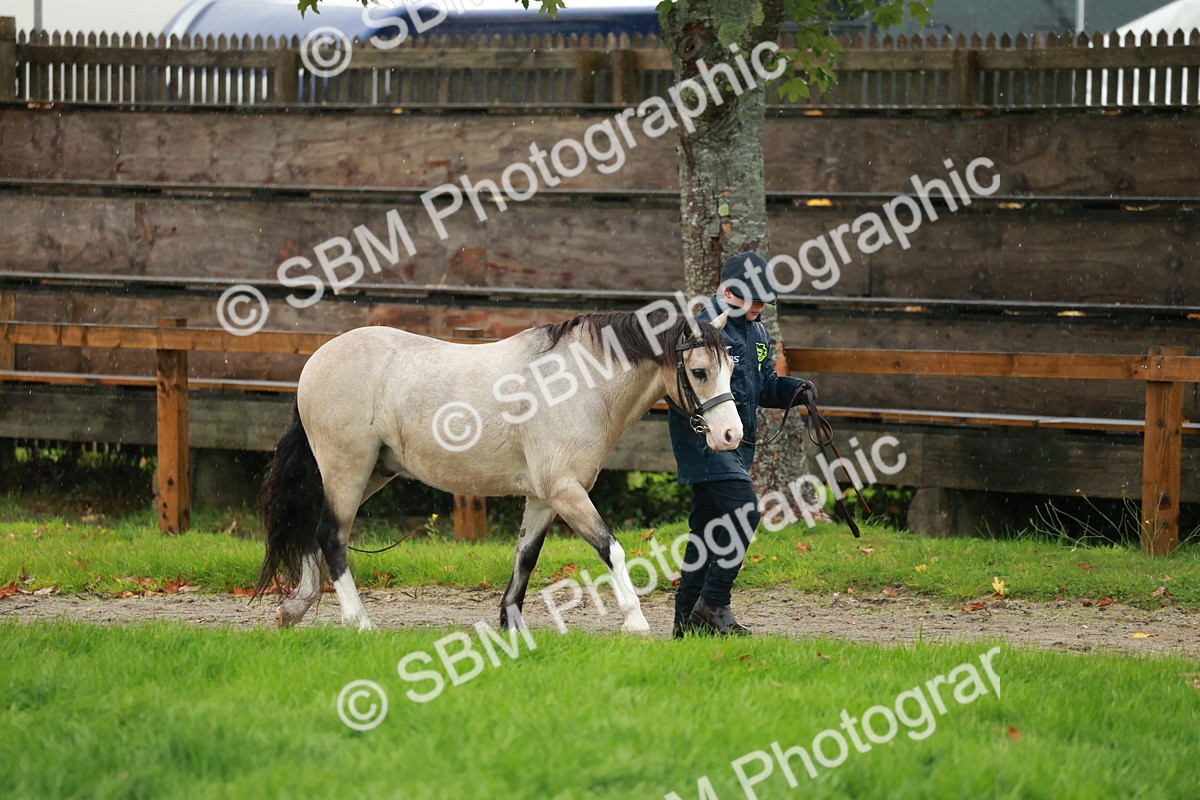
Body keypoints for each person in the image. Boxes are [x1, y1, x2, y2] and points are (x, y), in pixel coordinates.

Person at [669, 251, 815, 638]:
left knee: (707, 532)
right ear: (730, 293)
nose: (761, 306)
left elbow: (765, 385)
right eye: (754, 298)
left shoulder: (759, 333)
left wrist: (795, 390)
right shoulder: (701, 329)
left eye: (765, 299)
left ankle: (685, 628)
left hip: (738, 446)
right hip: (704, 443)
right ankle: (715, 603)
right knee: (746, 512)